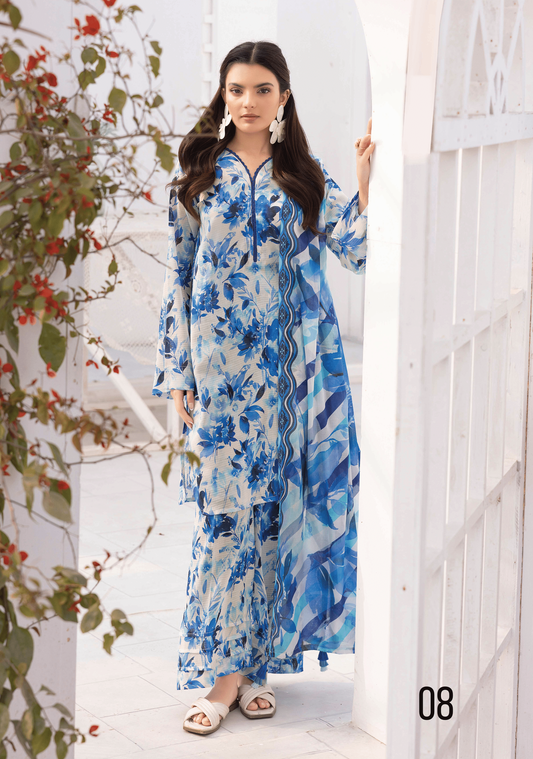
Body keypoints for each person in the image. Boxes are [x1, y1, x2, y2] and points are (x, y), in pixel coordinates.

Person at [152, 40, 374, 736]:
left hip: (287, 382)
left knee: (274, 520)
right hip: (221, 382)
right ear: (223, 96)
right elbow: (178, 277)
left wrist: (365, 182)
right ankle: (222, 674)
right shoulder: (197, 177)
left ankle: (252, 671)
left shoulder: (303, 176)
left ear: (283, 97)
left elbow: (359, 249)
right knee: (225, 521)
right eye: (236, 89)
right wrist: (178, 373)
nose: (247, 102)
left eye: (261, 89)